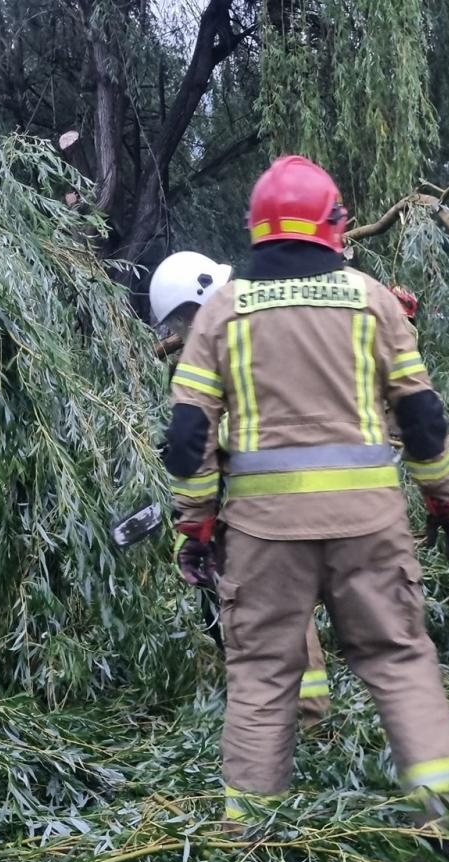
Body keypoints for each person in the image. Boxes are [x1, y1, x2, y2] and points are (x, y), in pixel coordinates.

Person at [160, 155, 449, 827]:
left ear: (256, 227)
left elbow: (187, 438)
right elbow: (422, 419)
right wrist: (444, 501)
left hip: (265, 533)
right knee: (399, 659)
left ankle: (248, 842)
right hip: (368, 523)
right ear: (333, 224)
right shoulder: (372, 299)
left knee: (263, 678)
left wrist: (197, 526)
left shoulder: (221, 310)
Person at [149, 251, 334, 729]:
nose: (185, 329)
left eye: (186, 317)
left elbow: (242, 424)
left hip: (276, 495)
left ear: (201, 297)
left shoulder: (234, 334)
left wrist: (197, 513)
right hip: (306, 486)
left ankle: (300, 717)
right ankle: (303, 711)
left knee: (267, 602)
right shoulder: (259, 317)